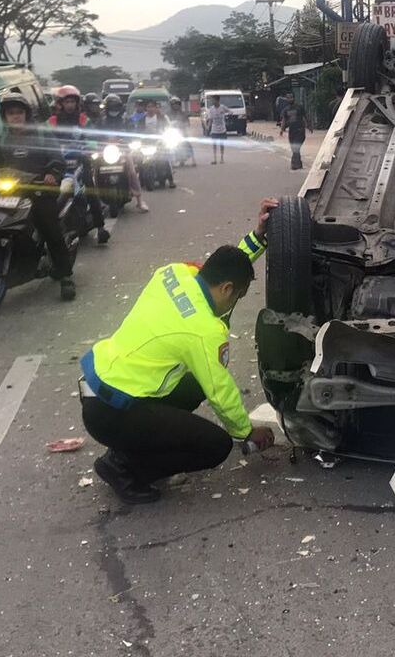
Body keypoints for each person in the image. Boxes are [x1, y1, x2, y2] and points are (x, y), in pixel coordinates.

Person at [79, 198, 280, 504]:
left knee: (194, 381)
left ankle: (129, 446)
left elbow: (221, 269)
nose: (235, 303)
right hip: (113, 412)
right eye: (237, 295)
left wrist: (258, 237)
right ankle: (124, 467)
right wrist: (246, 432)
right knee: (216, 446)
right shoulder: (203, 331)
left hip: (102, 389)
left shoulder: (176, 273)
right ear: (227, 289)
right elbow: (220, 391)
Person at [0, 89, 77, 301]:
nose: (16, 116)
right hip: (12, 193)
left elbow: (57, 158)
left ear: (26, 114)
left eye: (19, 112)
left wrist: (51, 173)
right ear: (5, 117)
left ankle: (66, 276)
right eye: (11, 113)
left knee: (50, 227)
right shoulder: (3, 140)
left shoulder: (41, 135)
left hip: (39, 192)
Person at [48, 85, 110, 245]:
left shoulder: (84, 120)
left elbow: (91, 138)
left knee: (90, 190)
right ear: (60, 103)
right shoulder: (52, 121)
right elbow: (43, 138)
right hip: (57, 164)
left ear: (77, 103)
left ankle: (101, 227)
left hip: (80, 161)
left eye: (72, 102)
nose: (70, 105)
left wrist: (90, 148)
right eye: (66, 102)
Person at [101, 93, 148, 213]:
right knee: (94, 169)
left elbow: (132, 134)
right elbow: (95, 136)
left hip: (122, 151)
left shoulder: (126, 120)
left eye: (115, 107)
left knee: (132, 171)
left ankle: (139, 200)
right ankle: (96, 200)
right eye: (111, 108)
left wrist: (127, 140)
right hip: (105, 152)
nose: (113, 110)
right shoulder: (102, 122)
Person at [279, 95, 313, 171]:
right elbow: (284, 120)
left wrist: (309, 126)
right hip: (291, 131)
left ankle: (294, 164)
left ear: (294, 98)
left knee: (296, 147)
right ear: (286, 99)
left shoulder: (299, 107)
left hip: (300, 130)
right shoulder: (285, 110)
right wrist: (282, 129)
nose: (290, 99)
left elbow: (306, 116)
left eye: (291, 97)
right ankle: (298, 164)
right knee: (294, 148)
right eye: (288, 98)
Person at [204, 95, 230, 164]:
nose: (212, 101)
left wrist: (227, 116)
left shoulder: (223, 107)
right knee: (214, 145)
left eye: (213, 100)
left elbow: (230, 112)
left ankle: (222, 158)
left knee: (222, 144)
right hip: (214, 129)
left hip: (222, 129)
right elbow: (210, 119)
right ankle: (215, 159)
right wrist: (208, 128)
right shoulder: (211, 109)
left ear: (218, 100)